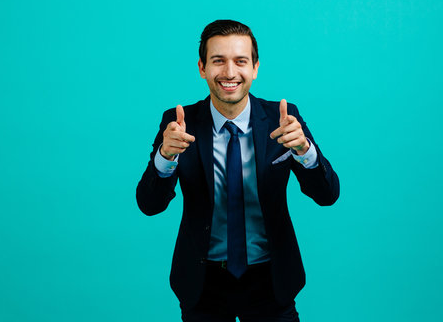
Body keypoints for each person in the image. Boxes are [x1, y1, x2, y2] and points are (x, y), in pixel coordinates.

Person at [136, 19, 340, 321]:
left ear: (255, 68)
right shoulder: (180, 123)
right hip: (203, 284)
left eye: (240, 61)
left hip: (271, 282)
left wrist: (305, 151)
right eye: (218, 61)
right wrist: (165, 156)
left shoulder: (281, 119)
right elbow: (149, 205)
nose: (230, 73)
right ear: (202, 68)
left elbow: (328, 194)